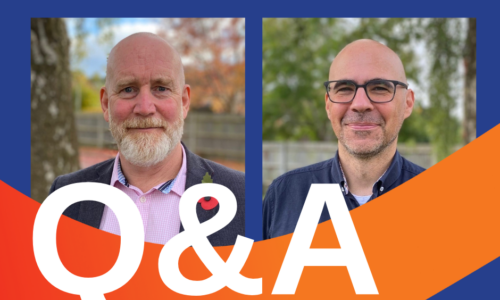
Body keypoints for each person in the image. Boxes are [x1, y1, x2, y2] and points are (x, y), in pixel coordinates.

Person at [50, 33, 244, 247]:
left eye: (161, 88)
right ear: (106, 104)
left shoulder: (243, 196)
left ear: (184, 101)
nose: (144, 108)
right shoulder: (66, 196)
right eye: (128, 89)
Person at [263, 39, 425, 239]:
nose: (360, 104)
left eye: (380, 88)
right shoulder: (284, 196)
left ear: (408, 103)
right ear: (328, 104)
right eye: (344, 89)